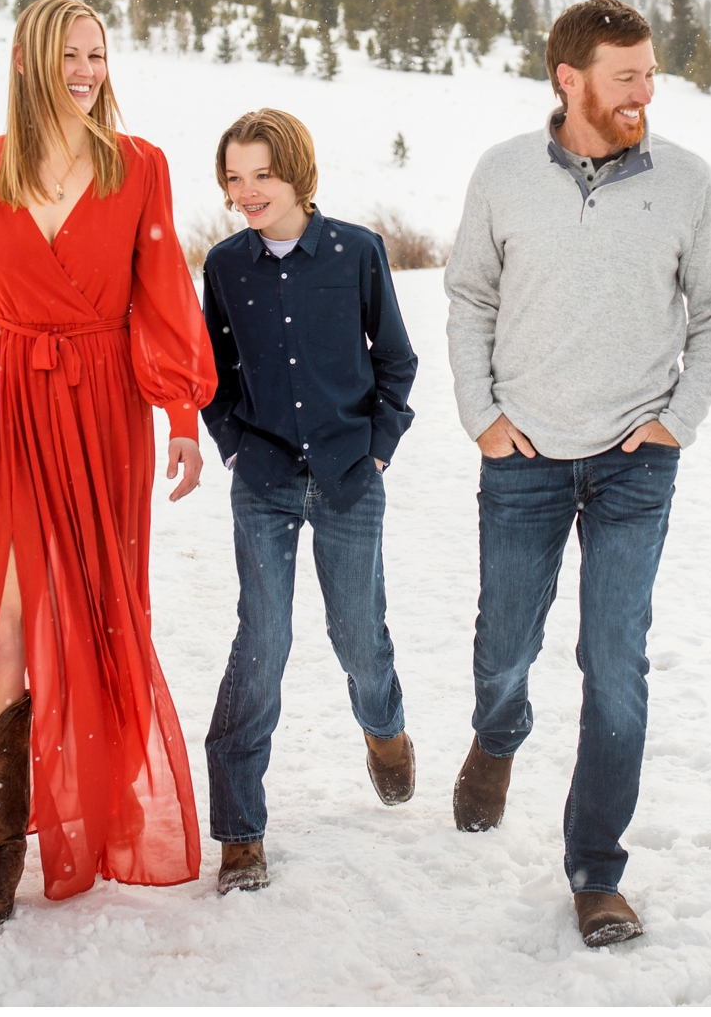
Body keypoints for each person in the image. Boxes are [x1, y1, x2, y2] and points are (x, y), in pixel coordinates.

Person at [0, 0, 215, 924]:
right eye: (70, 54)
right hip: (0, 401)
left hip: (101, 406)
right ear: (30, 62)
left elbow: (163, 295)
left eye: (98, 54)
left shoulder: (138, 166)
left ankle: (91, 807)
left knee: (90, 614)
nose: (86, 70)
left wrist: (182, 415)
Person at [443, 0, 711, 948]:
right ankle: (498, 732)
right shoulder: (503, 174)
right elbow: (468, 297)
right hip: (523, 452)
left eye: (650, 74)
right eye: (626, 77)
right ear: (568, 79)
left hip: (631, 462)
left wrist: (677, 421)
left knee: (615, 665)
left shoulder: (687, 182)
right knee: (504, 650)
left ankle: (595, 871)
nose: (645, 93)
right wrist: (481, 415)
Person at [199, 108, 419, 894]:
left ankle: (384, 727)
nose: (246, 190)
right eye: (234, 176)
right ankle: (240, 829)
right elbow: (214, 372)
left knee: (357, 632)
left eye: (261, 173)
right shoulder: (224, 266)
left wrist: (379, 446)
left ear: (296, 172)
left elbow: (395, 361)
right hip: (262, 478)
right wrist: (230, 439)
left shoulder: (358, 252)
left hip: (348, 474)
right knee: (261, 640)